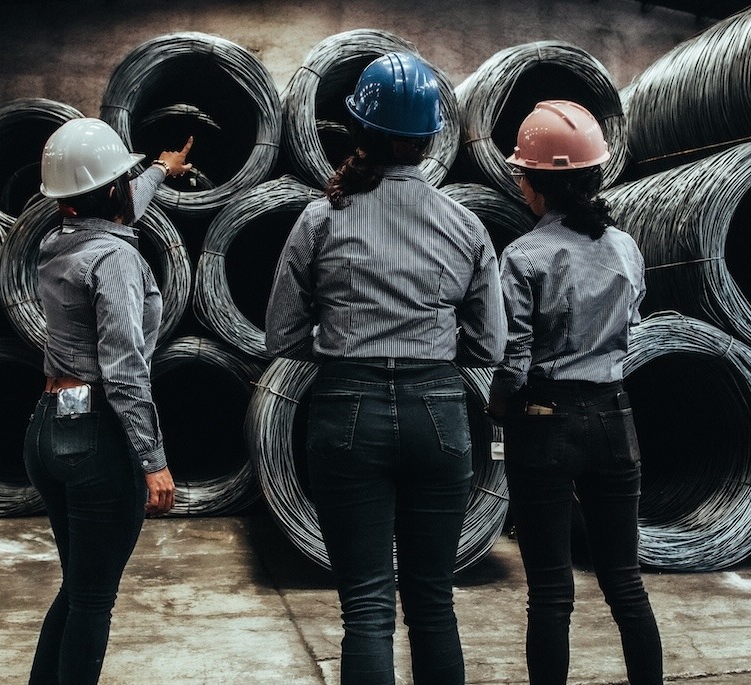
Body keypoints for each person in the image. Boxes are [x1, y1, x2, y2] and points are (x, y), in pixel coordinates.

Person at [266, 52, 506, 685]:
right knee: (432, 603)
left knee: (367, 608)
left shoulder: (320, 217)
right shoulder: (464, 223)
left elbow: (282, 334)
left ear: (356, 134)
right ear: (430, 140)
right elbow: (489, 347)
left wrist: (347, 333)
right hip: (439, 413)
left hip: (346, 412)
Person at [485, 100, 663, 685]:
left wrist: (499, 404)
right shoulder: (625, 247)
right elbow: (632, 329)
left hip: (545, 422)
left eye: (520, 174)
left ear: (534, 182)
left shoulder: (523, 256)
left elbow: (514, 358)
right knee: (624, 579)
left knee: (551, 591)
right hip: (617, 419)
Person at [23, 117, 192, 685]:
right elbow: (124, 370)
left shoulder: (59, 240)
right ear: (111, 189)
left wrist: (159, 172)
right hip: (96, 436)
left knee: (78, 589)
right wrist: (154, 461)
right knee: (94, 601)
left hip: (47, 428)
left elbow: (114, 210)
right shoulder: (116, 260)